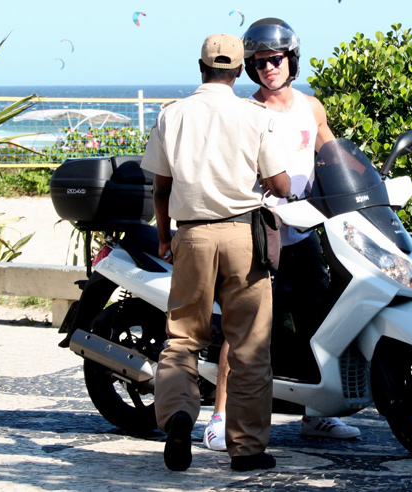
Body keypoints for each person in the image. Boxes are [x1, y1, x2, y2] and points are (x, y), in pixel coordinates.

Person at [203, 18, 361, 453]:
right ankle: (220, 417)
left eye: (276, 59)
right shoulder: (246, 112)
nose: (269, 68)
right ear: (250, 68)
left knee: (317, 323)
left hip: (305, 235)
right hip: (259, 235)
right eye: (260, 62)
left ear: (291, 59)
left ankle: (318, 415)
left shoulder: (311, 108)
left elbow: (333, 157)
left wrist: (365, 183)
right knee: (247, 330)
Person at [141, 33, 291, 472]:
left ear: (200, 67)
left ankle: (178, 418)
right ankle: (246, 449)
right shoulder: (254, 115)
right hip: (244, 239)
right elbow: (281, 184)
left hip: (192, 237)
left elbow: (161, 187)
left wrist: (166, 238)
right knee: (249, 346)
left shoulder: (173, 116)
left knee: (182, 338)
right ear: (241, 69)